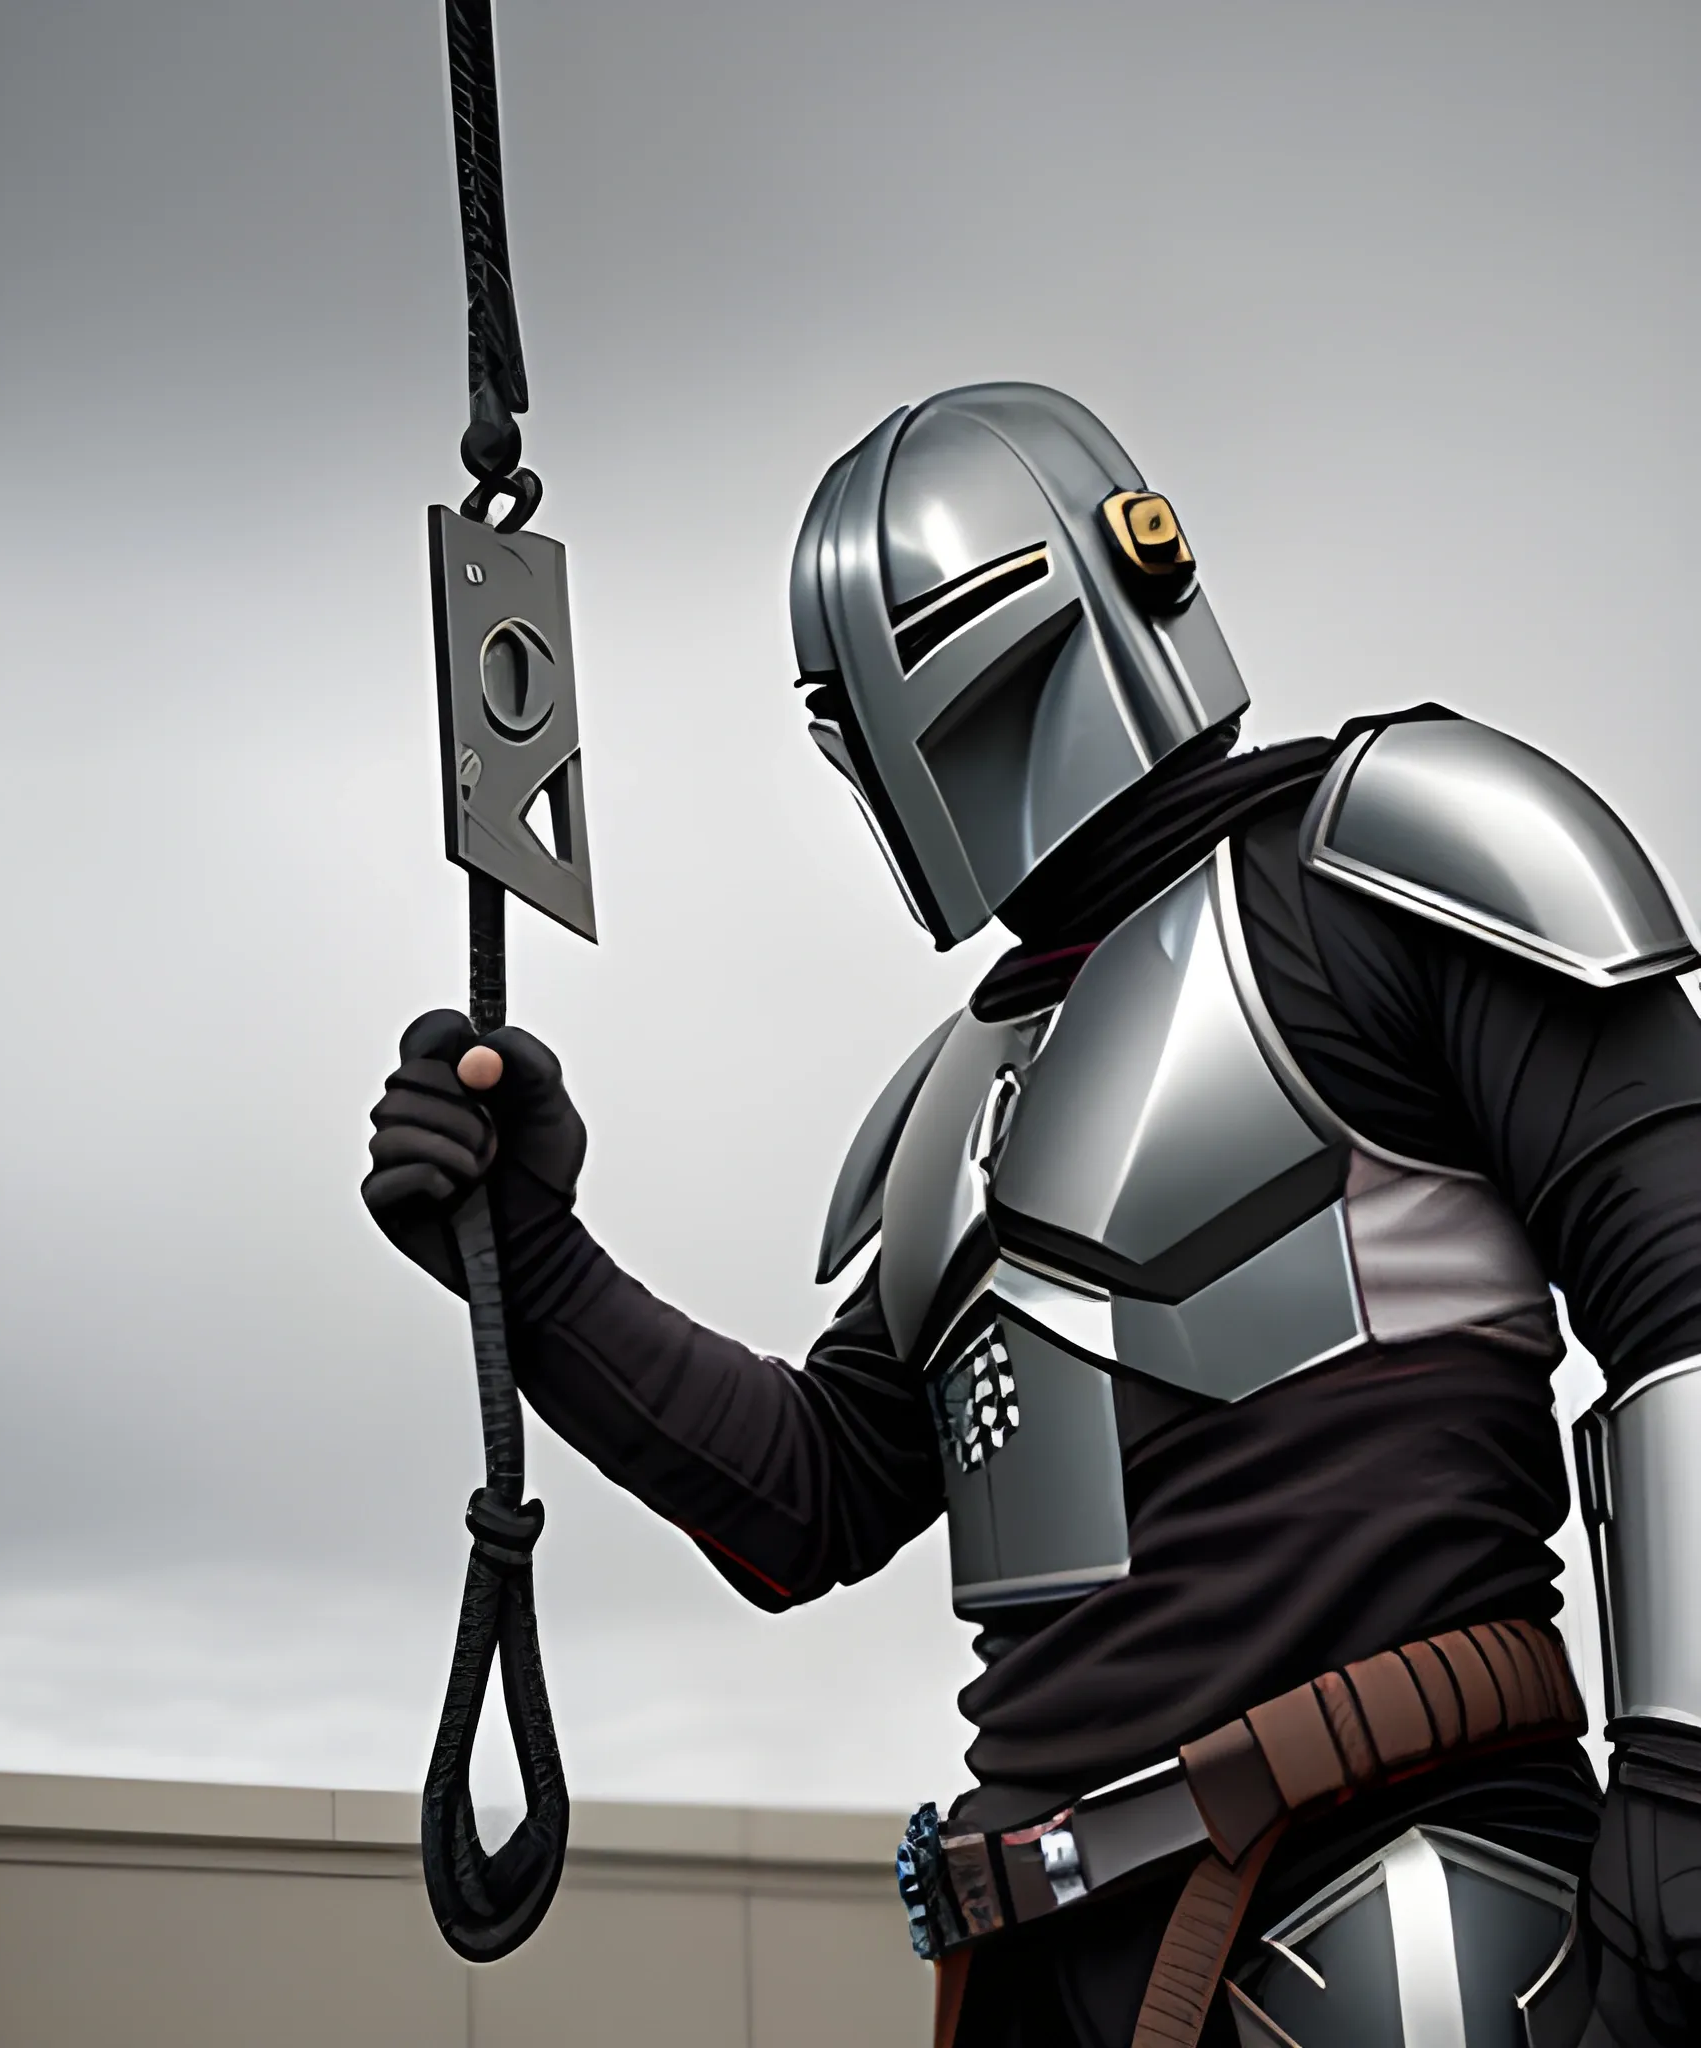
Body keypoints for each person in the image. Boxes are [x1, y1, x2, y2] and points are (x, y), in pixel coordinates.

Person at [363, 384, 1701, 2045]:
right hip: (1044, 1968)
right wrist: (536, 1265)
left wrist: (1687, 1803)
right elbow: (814, 1497)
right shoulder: (965, 1095)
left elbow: (1686, 1306)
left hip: (1402, 1919)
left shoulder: (1387, 869)